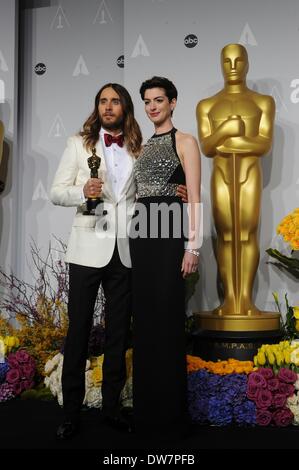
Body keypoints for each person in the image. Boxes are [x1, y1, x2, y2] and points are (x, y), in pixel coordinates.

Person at [50, 83, 187, 439]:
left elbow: (151, 189)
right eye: (103, 101)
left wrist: (179, 189)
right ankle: (70, 414)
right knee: (78, 330)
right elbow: (55, 191)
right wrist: (81, 191)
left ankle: (112, 409)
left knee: (117, 335)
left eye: (115, 102)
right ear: (97, 107)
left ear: (126, 109)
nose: (109, 107)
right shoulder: (78, 144)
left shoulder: (139, 147)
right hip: (86, 250)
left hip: (127, 250)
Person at [130, 76, 201, 439]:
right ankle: (147, 414)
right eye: (147, 101)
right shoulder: (140, 147)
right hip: (142, 232)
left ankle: (170, 417)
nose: (152, 106)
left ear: (173, 102)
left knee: (168, 319)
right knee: (145, 322)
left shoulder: (185, 141)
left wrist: (193, 246)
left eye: (159, 100)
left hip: (169, 231)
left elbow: (196, 197)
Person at [196, 44, 275, 319]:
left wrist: (231, 142)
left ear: (247, 63)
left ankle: (246, 301)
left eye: (238, 60)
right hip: (221, 175)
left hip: (249, 173)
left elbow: (263, 144)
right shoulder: (207, 106)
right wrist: (227, 130)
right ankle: (230, 300)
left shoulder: (262, 102)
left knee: (247, 234)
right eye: (227, 61)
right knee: (226, 236)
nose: (232, 66)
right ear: (220, 64)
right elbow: (207, 147)